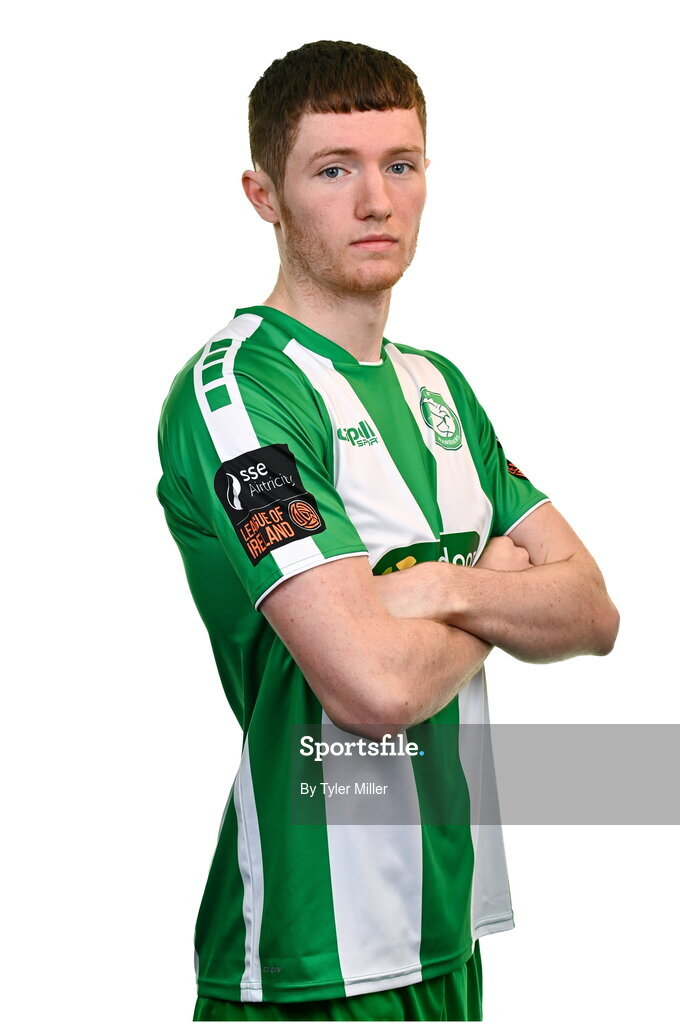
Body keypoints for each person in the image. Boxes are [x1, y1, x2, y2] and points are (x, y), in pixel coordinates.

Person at [156, 39, 619, 1022]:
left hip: (445, 931)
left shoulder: (439, 386)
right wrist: (498, 579)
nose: (375, 200)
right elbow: (369, 689)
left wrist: (442, 584)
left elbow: (590, 608)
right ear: (263, 194)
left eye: (399, 165)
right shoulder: (239, 392)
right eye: (334, 169)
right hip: (306, 959)